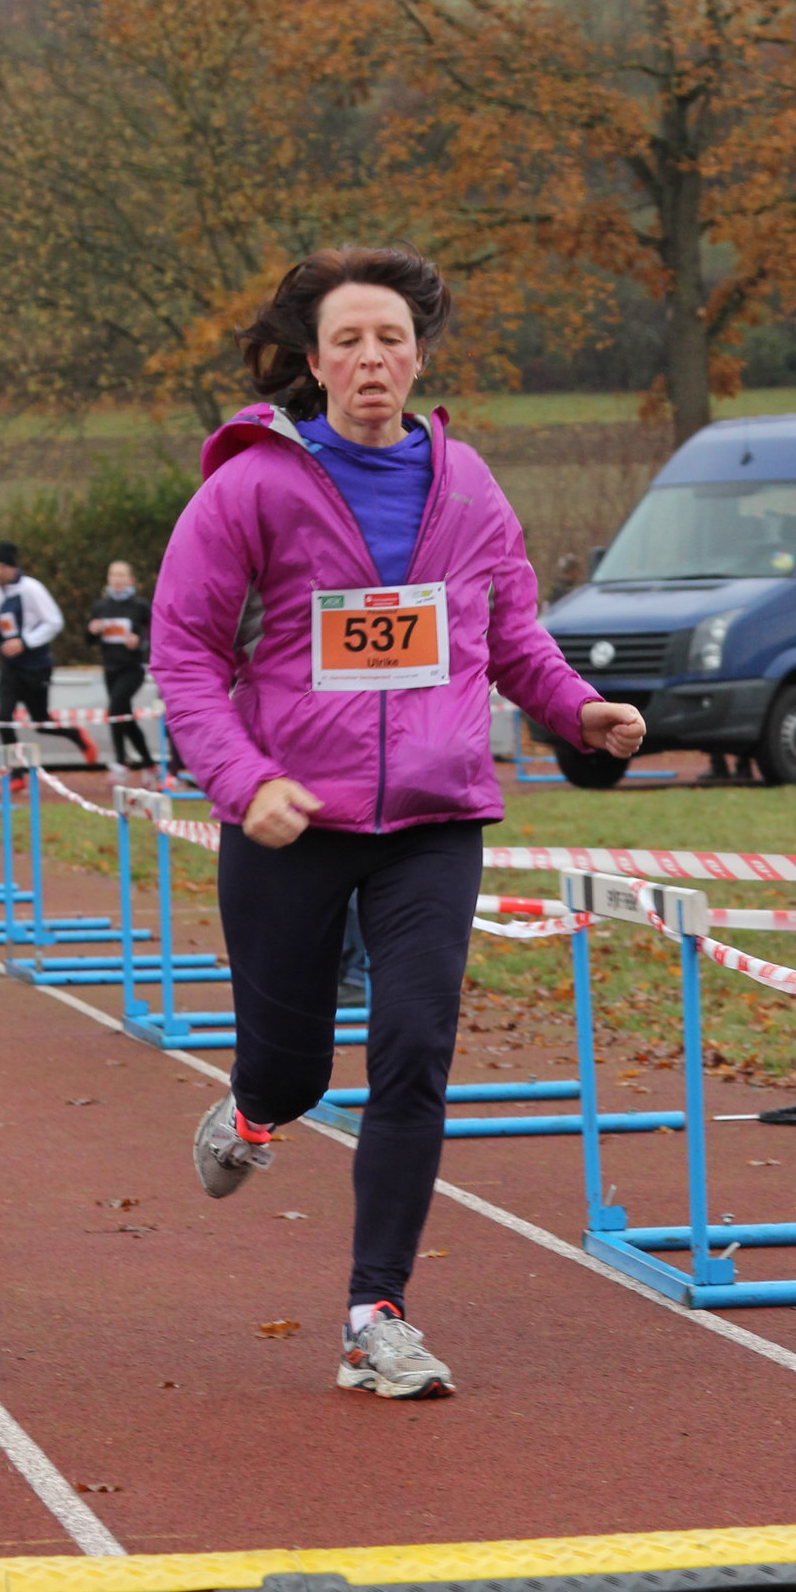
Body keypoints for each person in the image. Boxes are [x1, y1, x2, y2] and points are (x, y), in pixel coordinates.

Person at [151, 244, 643, 1399]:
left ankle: (378, 1314)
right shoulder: (251, 488)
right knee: (294, 1069)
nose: (372, 359)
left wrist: (579, 709)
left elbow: (511, 635)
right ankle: (254, 1112)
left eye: (391, 340)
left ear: (419, 358)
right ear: (314, 362)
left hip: (433, 813)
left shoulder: (466, 486)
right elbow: (184, 655)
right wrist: (244, 781)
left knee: (415, 1049)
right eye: (349, 342)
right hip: (292, 817)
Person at [0, 542, 100, 782]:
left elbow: (55, 622)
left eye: (1, 567)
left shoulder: (32, 589)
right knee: (3, 719)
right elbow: (3, 622)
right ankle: (17, 774)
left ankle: (76, 735)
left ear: (13, 567)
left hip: (36, 667)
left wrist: (25, 642)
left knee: (41, 723)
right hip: (11, 667)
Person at [86, 560, 155, 771]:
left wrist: (140, 642)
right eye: (113, 574)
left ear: (131, 580)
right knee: (125, 717)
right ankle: (148, 763)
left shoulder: (140, 606)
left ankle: (120, 759)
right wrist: (92, 630)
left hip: (132, 669)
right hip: (110, 669)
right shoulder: (101, 607)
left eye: (121, 575)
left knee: (115, 709)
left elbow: (156, 633)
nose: (117, 579)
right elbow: (88, 640)